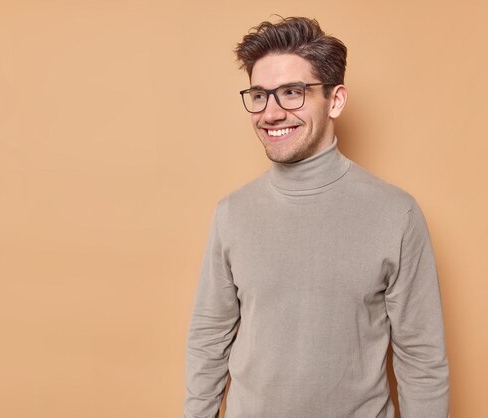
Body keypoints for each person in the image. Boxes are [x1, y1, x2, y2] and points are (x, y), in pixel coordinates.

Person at [184, 17, 449, 418]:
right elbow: (209, 336)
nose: (270, 113)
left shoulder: (397, 213)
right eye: (259, 95)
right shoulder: (232, 213)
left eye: (292, 92)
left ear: (335, 100)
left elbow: (422, 359)